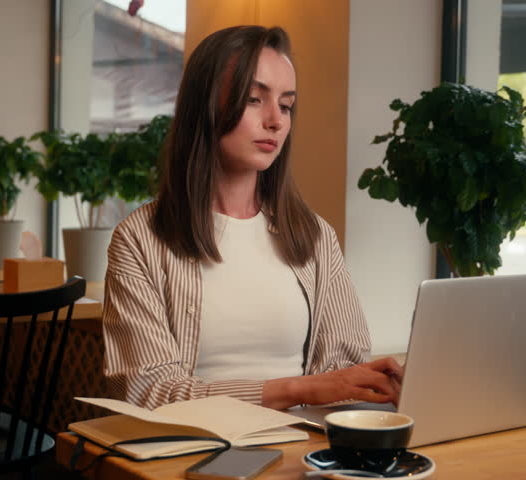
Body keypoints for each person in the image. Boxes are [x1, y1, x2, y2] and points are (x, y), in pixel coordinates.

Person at [103, 25, 402, 411]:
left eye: (286, 105)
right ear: (205, 106)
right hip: (197, 444)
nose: (276, 120)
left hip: (305, 442)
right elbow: (147, 392)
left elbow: (340, 372)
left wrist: (383, 384)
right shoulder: (139, 239)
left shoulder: (314, 236)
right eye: (253, 99)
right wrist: (297, 390)